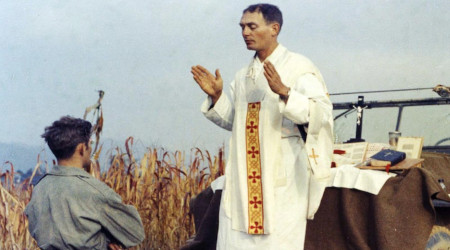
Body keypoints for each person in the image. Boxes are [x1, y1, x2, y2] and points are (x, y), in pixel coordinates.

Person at [191, 3, 333, 249]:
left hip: (283, 178)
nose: (245, 32)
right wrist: (217, 97)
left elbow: (321, 114)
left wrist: (286, 93)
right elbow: (233, 121)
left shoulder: (299, 69)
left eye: (252, 26)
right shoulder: (243, 76)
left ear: (274, 28)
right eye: (242, 27)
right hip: (242, 177)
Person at [25, 116, 145, 249]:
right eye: (90, 143)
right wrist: (105, 242)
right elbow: (135, 233)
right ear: (82, 148)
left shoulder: (39, 188)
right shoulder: (94, 191)